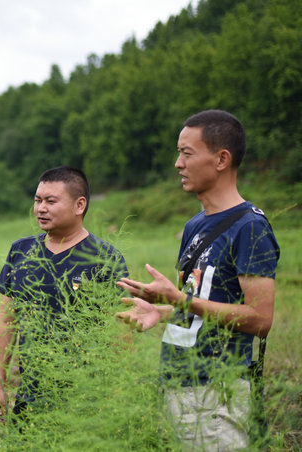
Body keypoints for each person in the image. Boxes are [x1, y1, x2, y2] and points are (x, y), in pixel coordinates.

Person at [116, 109, 279, 450]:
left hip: (216, 392)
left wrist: (178, 300)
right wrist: (161, 311)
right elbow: (196, 311)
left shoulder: (249, 227)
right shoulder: (194, 226)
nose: (178, 163)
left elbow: (261, 319)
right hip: (179, 385)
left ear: (221, 159)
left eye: (187, 153)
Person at [0, 166, 128, 420]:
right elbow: (6, 318)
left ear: (79, 205)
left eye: (51, 201)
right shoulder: (21, 251)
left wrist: (114, 389)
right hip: (30, 393)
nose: (41, 208)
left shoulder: (105, 258)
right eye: (37, 200)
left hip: (85, 395)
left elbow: (120, 329)